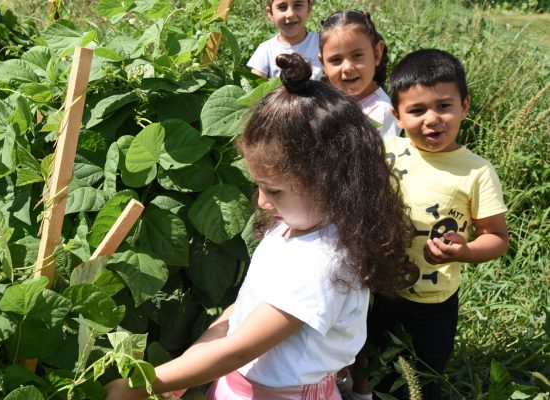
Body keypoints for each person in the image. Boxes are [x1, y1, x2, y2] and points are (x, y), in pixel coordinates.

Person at [104, 53, 417, 400]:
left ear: (330, 182)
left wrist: (141, 383)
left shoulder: (321, 263)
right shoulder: (295, 226)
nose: (263, 202)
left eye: (274, 190)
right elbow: (242, 310)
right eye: (260, 186)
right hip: (241, 384)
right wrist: (186, 368)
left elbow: (238, 350)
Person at [353, 49, 510, 400]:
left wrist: (465, 251)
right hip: (379, 289)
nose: (432, 119)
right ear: (397, 114)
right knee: (372, 368)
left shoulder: (476, 171)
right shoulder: (384, 152)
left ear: (465, 106)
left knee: (424, 381)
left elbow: (497, 237)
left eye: (444, 106)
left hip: (433, 302)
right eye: (417, 110)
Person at [318, 10, 399, 139]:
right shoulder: (323, 100)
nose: (348, 68)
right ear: (323, 63)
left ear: (377, 53)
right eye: (336, 60)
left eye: (357, 56)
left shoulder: (382, 112)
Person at [247, 0, 323, 80]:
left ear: (308, 9)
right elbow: (255, 88)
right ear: (270, 13)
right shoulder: (265, 50)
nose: (290, 14)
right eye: (282, 7)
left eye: (297, 5)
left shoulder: (322, 43)